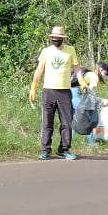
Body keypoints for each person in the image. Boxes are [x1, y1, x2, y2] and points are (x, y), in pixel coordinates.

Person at [28, 25, 82, 160]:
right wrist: (33, 88)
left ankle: (64, 150)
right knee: (47, 122)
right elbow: (39, 70)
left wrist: (83, 84)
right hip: (49, 91)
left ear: (62, 38)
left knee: (67, 122)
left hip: (64, 91)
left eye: (57, 37)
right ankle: (45, 150)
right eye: (53, 37)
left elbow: (76, 70)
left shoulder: (70, 50)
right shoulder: (46, 51)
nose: (55, 39)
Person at [71, 61, 108, 146]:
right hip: (76, 94)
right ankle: (91, 143)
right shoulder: (95, 77)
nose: (105, 76)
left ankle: (67, 143)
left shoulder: (90, 74)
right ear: (101, 69)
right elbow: (90, 95)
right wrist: (101, 101)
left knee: (75, 119)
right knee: (90, 118)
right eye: (105, 73)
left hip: (69, 93)